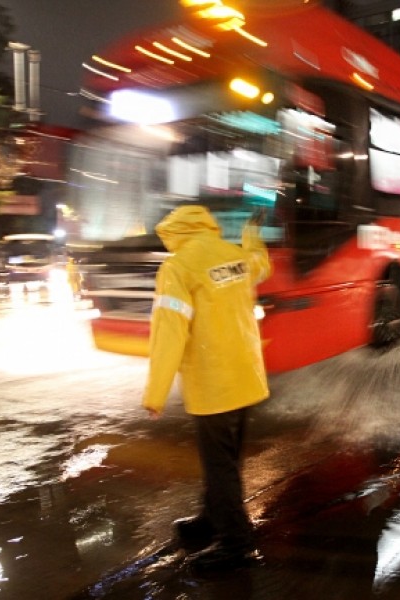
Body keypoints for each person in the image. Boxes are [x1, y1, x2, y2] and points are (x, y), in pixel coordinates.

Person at [142, 205, 271, 571]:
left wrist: (156, 393)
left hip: (214, 384)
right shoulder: (234, 255)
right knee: (225, 461)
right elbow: (261, 263)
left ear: (174, 233)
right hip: (246, 377)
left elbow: (169, 333)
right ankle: (211, 520)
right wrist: (252, 234)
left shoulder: (178, 268)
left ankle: (236, 543)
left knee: (220, 466)